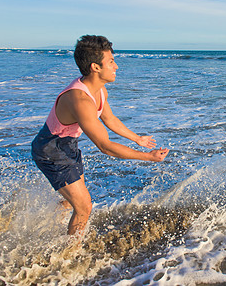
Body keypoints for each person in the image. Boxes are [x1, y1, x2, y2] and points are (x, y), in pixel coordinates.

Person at [32, 35, 169, 235]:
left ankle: (42, 225)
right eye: (111, 61)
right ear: (95, 67)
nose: (117, 67)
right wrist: (147, 157)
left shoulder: (99, 89)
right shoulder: (80, 100)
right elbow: (104, 146)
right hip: (51, 150)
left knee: (73, 202)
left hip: (67, 145)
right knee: (84, 207)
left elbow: (110, 119)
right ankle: (69, 255)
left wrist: (137, 139)